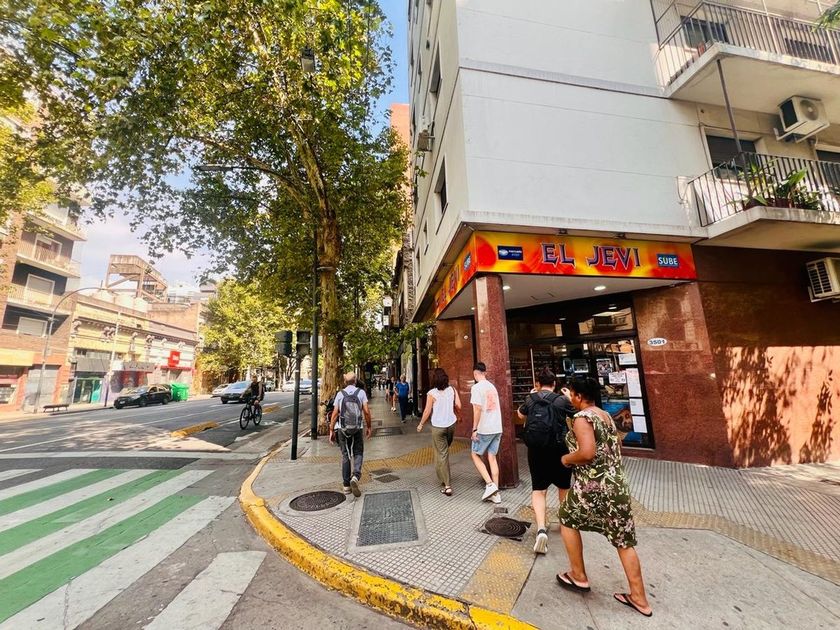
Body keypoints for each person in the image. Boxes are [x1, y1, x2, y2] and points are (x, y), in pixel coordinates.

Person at [556, 377, 652, 618]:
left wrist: (566, 459)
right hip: (617, 485)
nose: (571, 398)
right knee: (624, 540)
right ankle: (639, 597)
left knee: (566, 519)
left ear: (579, 396)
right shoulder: (606, 416)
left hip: (593, 485)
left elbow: (587, 453)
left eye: (572, 394)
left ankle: (578, 575)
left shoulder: (582, 418)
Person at [516, 367, 576, 555]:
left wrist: (531, 396)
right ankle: (564, 523)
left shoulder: (531, 398)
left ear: (538, 383)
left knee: (539, 490)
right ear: (554, 384)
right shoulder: (561, 400)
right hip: (560, 450)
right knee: (563, 487)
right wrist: (569, 398)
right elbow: (577, 416)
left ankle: (541, 529)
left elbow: (520, 415)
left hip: (536, 450)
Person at [417, 367, 461, 495]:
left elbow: (427, 411)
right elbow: (458, 405)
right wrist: (457, 414)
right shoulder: (452, 390)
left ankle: (447, 486)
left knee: (442, 454)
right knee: (443, 451)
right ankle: (442, 475)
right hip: (451, 426)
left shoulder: (432, 393)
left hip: (438, 427)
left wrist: (421, 424)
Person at [329, 372, 373, 497]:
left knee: (346, 455)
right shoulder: (361, 393)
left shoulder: (340, 394)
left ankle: (346, 486)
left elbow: (335, 414)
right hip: (357, 428)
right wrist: (369, 426)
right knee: (358, 452)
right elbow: (366, 411)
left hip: (343, 429)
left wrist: (331, 430)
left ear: (345, 382)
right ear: (355, 381)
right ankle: (356, 476)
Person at [469, 361, 503, 504]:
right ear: (485, 373)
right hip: (497, 427)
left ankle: (489, 485)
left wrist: (474, 429)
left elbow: (477, 409)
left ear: (475, 373)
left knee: (475, 454)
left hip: (485, 428)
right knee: (492, 457)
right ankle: (496, 494)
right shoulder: (492, 387)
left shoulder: (476, 388)